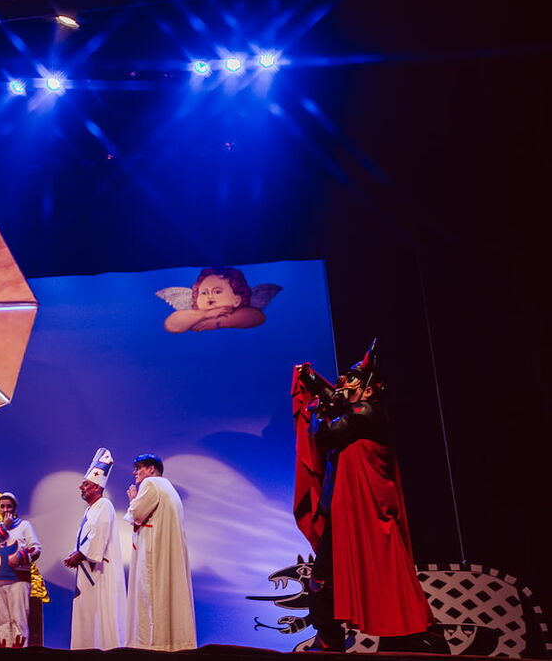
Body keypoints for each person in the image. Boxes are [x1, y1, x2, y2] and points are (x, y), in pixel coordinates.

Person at [293, 342, 435, 650]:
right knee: (323, 577)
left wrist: (315, 413)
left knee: (359, 572)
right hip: (347, 510)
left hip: (366, 513)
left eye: (351, 380)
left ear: (370, 390)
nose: (343, 384)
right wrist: (314, 381)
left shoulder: (366, 412)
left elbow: (328, 433)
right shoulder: (358, 409)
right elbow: (337, 402)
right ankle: (329, 636)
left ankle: (404, 635)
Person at [124, 453, 197, 651]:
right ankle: (173, 643)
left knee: (151, 599)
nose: (135, 472)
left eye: (139, 468)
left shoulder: (151, 484)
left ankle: (152, 647)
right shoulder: (169, 488)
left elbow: (136, 514)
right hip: (165, 553)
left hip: (154, 554)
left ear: (151, 469)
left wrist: (133, 499)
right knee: (168, 598)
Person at [63, 448, 127, 650]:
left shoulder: (104, 505)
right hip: (86, 573)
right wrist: (76, 554)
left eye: (86, 484)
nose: (81, 487)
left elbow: (99, 535)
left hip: (99, 573)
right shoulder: (90, 510)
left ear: (98, 487)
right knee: (86, 614)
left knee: (100, 614)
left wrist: (80, 555)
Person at [0, 492, 42, 647]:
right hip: (0, 579)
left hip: (19, 579)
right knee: (2, 620)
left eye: (9, 506)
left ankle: (19, 651)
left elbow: (36, 548)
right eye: (2, 506)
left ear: (14, 508)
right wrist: (4, 528)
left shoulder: (25, 526)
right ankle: (5, 650)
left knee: (18, 618)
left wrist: (21, 557)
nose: (6, 509)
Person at [163, 266, 267, 333]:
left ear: (237, 300)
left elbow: (257, 316)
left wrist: (218, 323)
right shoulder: (194, 314)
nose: (210, 297)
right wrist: (205, 315)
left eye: (217, 292)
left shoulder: (242, 312)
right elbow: (172, 324)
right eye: (204, 293)